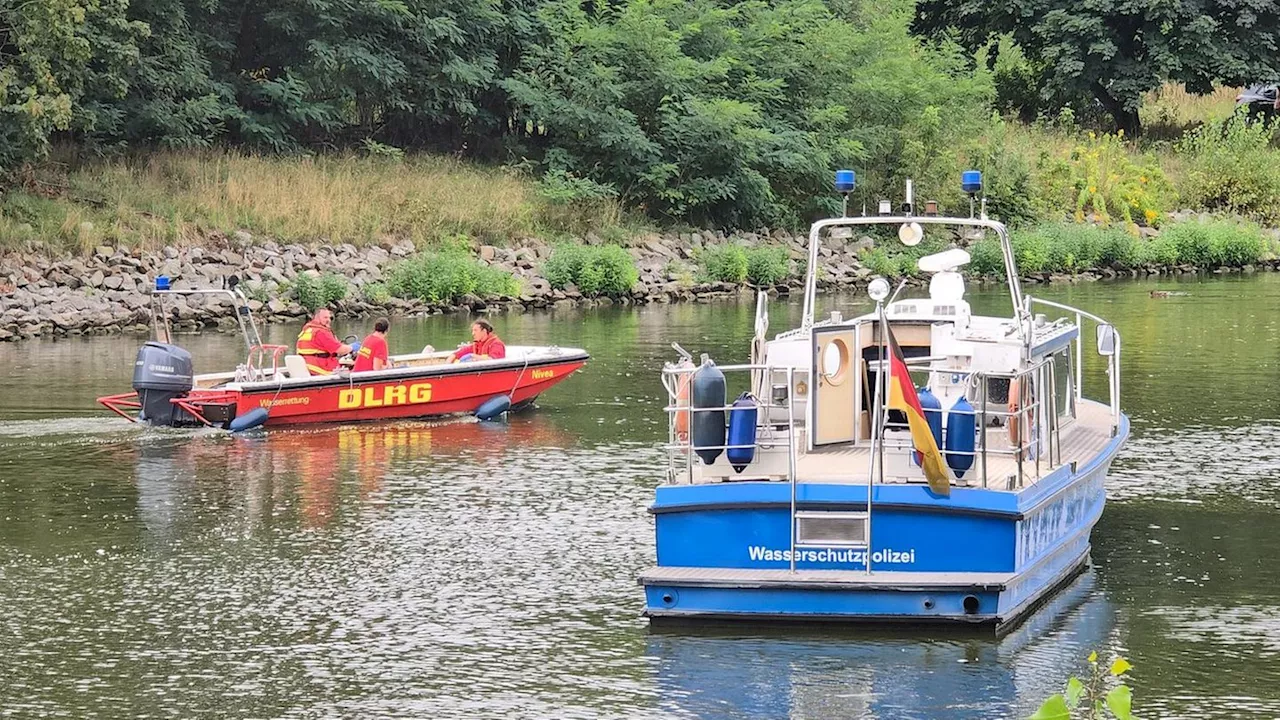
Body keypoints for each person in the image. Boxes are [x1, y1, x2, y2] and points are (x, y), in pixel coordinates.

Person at [295, 308, 355, 375]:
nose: (328, 320)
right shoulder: (321, 332)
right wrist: (352, 347)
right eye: (325, 317)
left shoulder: (308, 330)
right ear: (317, 318)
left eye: (329, 318)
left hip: (306, 365)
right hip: (318, 367)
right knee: (351, 370)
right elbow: (340, 350)